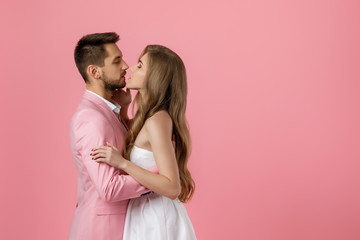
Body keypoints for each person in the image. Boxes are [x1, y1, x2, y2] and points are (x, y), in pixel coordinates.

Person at [91, 45, 197, 239]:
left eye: (140, 66)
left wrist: (122, 163)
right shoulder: (149, 117)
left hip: (156, 220)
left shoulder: (158, 120)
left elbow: (172, 187)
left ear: (155, 78)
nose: (130, 68)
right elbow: (134, 142)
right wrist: (124, 108)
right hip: (145, 214)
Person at [68, 32, 155, 240]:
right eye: (117, 61)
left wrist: (123, 111)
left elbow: (123, 150)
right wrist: (158, 179)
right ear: (94, 71)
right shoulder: (91, 118)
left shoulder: (106, 111)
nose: (126, 65)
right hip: (101, 231)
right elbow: (109, 188)